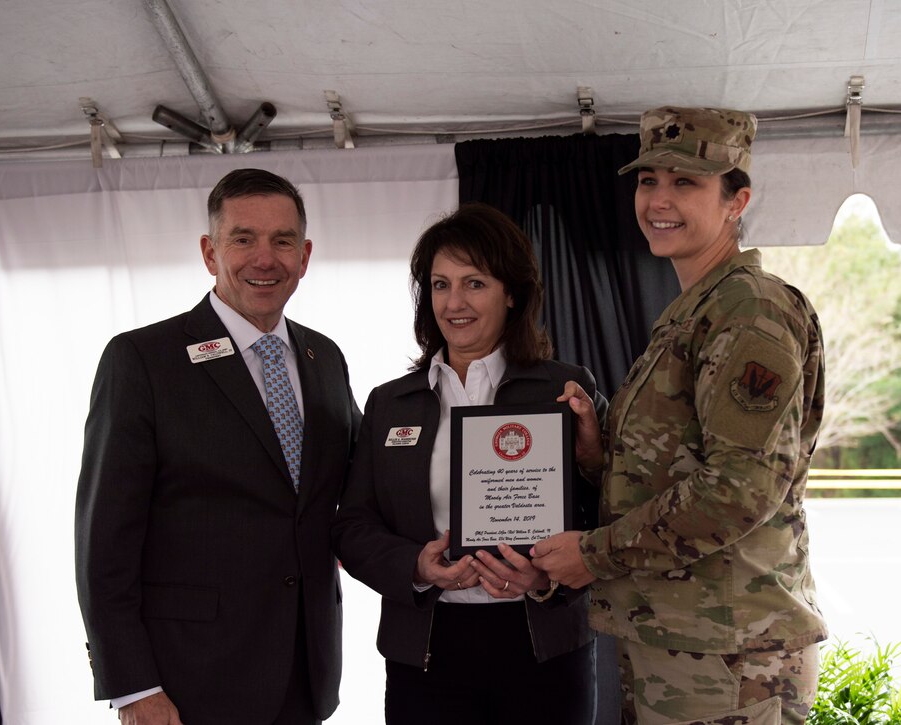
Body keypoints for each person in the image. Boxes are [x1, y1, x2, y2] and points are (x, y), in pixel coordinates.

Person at [531, 107, 827, 725]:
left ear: (735, 200)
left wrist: (594, 553)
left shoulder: (749, 312)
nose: (658, 200)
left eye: (685, 182)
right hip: (689, 638)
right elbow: (682, 468)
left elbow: (740, 490)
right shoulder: (696, 311)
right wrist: (595, 454)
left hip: (731, 655)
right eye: (648, 181)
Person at [75, 168, 361, 725]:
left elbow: (363, 480)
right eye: (243, 238)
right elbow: (103, 543)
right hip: (188, 685)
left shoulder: (324, 359)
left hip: (306, 676)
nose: (265, 258)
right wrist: (133, 687)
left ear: (304, 257)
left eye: (282, 241)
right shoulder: (142, 361)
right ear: (210, 252)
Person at [331, 203, 606, 725]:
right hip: (427, 652)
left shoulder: (566, 389)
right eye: (439, 284)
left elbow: (613, 515)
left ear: (512, 292)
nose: (454, 302)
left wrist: (547, 579)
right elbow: (352, 527)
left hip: (544, 648)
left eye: (474, 283)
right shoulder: (391, 403)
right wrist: (416, 566)